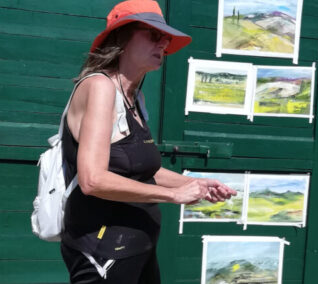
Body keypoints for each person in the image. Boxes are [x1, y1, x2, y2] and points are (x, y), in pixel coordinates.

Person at [60, 0, 237, 283]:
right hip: (103, 251)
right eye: (154, 35)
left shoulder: (135, 98)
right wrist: (173, 195)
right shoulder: (100, 87)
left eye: (166, 38)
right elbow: (92, 179)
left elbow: (142, 169)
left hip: (137, 247)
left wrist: (195, 185)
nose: (164, 44)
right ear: (123, 38)